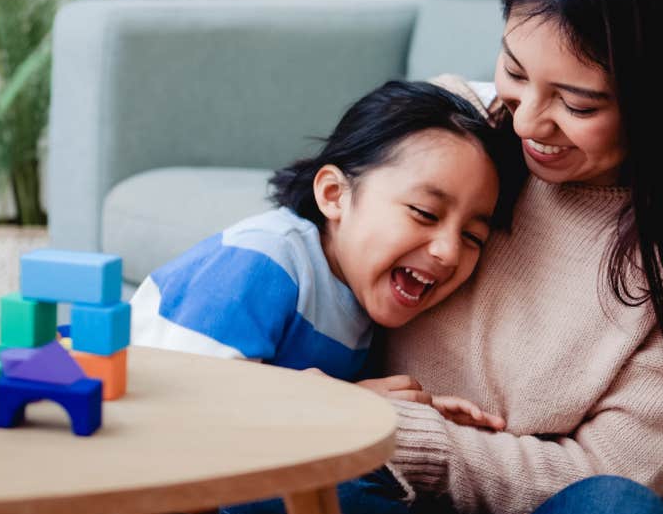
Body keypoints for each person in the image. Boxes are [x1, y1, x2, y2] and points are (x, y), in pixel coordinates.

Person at [366, 0, 663, 514]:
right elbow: (304, 245)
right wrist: (325, 412)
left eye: (577, 106)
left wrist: (404, 436)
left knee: (618, 512)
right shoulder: (454, 134)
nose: (524, 120)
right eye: (514, 72)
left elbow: (605, 477)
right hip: (374, 492)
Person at [131, 79, 524, 421]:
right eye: (424, 213)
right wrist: (348, 402)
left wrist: (416, 411)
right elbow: (186, 402)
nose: (449, 252)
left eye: (473, 237)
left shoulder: (355, 302)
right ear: (334, 195)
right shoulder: (265, 260)